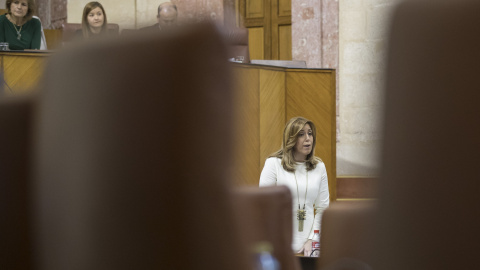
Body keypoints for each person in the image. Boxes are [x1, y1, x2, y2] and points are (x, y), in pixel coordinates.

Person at [259, 117, 330, 256]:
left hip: (308, 248)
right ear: (290, 138)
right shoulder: (273, 164)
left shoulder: (319, 167)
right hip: (278, 245)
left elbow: (323, 208)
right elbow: (264, 206)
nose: (308, 138)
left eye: (310, 133)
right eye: (301, 134)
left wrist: (312, 240)